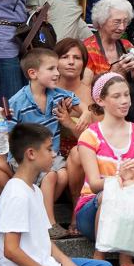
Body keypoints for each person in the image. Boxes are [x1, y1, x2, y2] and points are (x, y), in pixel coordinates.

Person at [0, 123, 116, 266]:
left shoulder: (34, 190)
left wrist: (67, 263)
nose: (54, 153)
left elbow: (43, 239)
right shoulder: (16, 194)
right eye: (49, 149)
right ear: (31, 153)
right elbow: (11, 251)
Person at [0, 49, 83, 240]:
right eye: (51, 69)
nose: (58, 73)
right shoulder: (18, 101)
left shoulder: (58, 95)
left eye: (57, 68)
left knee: (63, 175)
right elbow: (11, 135)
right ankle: (49, 223)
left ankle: (39, 214)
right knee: (51, 177)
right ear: (33, 73)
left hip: (51, 155)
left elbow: (83, 108)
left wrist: (85, 113)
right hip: (27, 156)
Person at [74, 73, 134, 266]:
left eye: (126, 95)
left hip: (129, 206)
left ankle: (124, 256)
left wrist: (128, 179)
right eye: (116, 96)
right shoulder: (90, 135)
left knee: (130, 189)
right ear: (101, 100)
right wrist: (119, 177)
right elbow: (94, 183)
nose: (125, 100)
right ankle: (100, 255)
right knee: (110, 193)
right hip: (92, 210)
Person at [54, 39, 92, 235]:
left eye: (76, 58)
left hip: (81, 152)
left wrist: (69, 122)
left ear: (83, 64)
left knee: (78, 153)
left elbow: (95, 136)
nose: (71, 62)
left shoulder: (91, 93)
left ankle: (76, 214)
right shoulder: (46, 88)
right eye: (65, 57)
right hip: (51, 151)